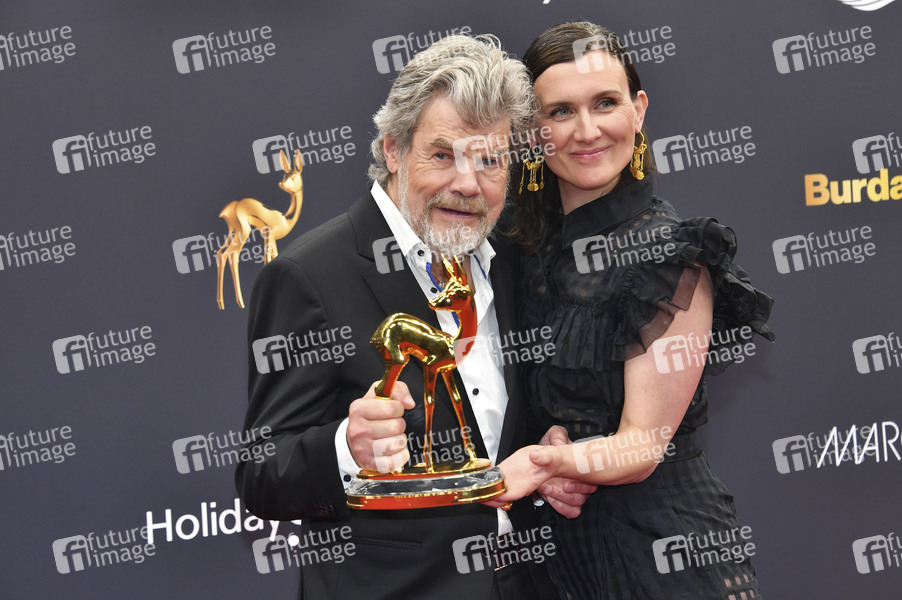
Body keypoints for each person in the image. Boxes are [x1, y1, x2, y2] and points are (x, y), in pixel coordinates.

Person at [235, 34, 593, 600]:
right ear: (394, 150)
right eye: (443, 155)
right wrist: (346, 447)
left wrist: (549, 448)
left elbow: (492, 416)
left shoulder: (507, 257)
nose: (467, 184)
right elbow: (262, 475)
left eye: (489, 160)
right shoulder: (310, 275)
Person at [485, 22, 775, 599]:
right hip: (557, 558)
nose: (587, 130)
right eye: (561, 111)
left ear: (638, 110)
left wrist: (542, 465)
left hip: (665, 554)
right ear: (532, 131)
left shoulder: (671, 254)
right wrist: (557, 447)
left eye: (605, 103)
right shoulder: (518, 245)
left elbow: (641, 447)